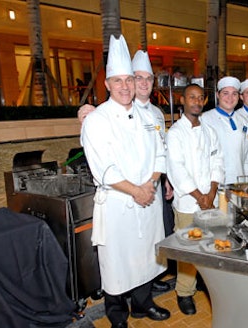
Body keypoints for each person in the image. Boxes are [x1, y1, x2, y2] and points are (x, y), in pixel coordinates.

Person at [80, 34, 170, 328]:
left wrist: (150, 185)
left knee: (147, 256)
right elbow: (103, 168)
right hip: (119, 203)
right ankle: (117, 316)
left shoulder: (147, 116)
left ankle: (143, 305)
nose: (125, 86)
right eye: (117, 81)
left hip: (148, 198)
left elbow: (161, 153)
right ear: (106, 85)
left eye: (128, 80)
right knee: (117, 263)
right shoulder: (97, 119)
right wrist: (137, 191)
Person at [166, 83, 224, 315]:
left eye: (200, 98)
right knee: (188, 249)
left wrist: (211, 193)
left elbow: (218, 162)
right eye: (192, 97)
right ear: (183, 101)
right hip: (188, 202)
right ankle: (184, 292)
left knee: (211, 246)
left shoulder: (210, 131)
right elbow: (176, 169)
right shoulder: (175, 133)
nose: (197, 102)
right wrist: (200, 197)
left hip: (211, 199)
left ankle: (209, 285)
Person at [201, 76, 248, 184]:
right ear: (218, 95)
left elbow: (244, 152)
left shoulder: (243, 121)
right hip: (214, 182)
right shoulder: (205, 119)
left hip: (239, 180)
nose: (230, 98)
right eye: (225, 93)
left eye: (234, 94)